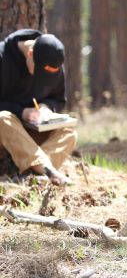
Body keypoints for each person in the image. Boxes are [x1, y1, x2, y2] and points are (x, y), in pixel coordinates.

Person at [0, 29, 76, 185]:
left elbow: (58, 99)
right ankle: (49, 171)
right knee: (2, 118)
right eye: (39, 72)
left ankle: (34, 178)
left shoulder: (52, 60)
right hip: (7, 128)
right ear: (30, 53)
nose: (42, 78)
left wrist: (46, 107)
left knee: (69, 132)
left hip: (34, 129)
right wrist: (22, 112)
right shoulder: (3, 58)